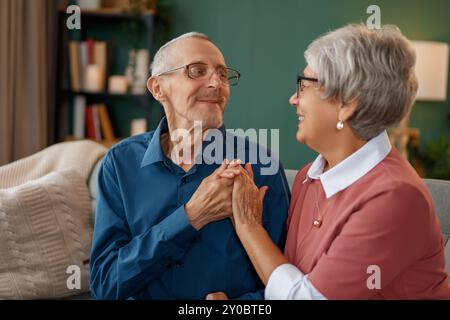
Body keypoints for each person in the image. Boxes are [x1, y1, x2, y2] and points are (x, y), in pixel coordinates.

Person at [208, 24, 450, 300]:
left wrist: (248, 225)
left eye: (304, 85)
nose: (293, 99)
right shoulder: (308, 178)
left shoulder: (395, 196)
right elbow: (288, 279)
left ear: (348, 103)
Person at [89, 32, 290, 300]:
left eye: (222, 74)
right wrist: (191, 216)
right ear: (158, 88)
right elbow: (105, 285)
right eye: (197, 71)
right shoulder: (119, 164)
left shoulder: (261, 166)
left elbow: (287, 285)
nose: (216, 83)